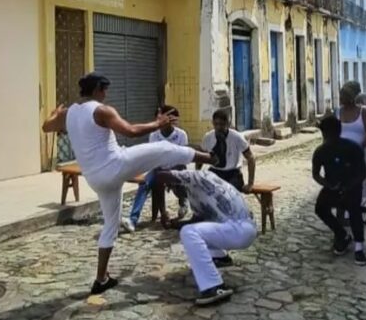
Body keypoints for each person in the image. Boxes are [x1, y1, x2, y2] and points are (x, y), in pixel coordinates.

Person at [42, 73, 213, 295]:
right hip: (115, 166)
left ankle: (101, 279)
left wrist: (55, 114)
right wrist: (158, 123)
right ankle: (209, 158)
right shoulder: (101, 111)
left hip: (95, 179)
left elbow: (46, 127)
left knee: (110, 227)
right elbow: (131, 132)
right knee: (163, 150)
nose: (106, 94)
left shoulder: (68, 113)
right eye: (105, 90)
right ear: (97, 90)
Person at [157, 169, 257, 306]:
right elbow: (197, 221)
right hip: (237, 228)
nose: (174, 192)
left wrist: (162, 208)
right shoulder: (194, 191)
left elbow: (160, 175)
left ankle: (214, 287)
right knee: (195, 231)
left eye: (172, 187)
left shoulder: (196, 176)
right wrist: (173, 224)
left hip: (240, 228)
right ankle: (220, 257)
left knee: (189, 233)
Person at [312, 115, 366, 265]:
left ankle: (359, 247)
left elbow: (362, 174)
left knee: (354, 209)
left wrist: (348, 187)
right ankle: (341, 233)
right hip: (332, 187)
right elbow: (316, 174)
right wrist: (328, 185)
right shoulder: (321, 151)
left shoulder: (352, 148)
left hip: (352, 187)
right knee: (320, 208)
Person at [123, 105, 190, 231]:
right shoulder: (154, 135)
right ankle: (133, 219)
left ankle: (183, 201)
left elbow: (183, 159)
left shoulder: (181, 135)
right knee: (144, 184)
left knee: (181, 181)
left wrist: (170, 172)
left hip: (176, 168)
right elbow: (153, 158)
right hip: (158, 169)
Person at [337, 81, 366, 205]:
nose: (341, 98)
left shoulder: (363, 112)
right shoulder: (338, 112)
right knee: (344, 182)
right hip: (342, 154)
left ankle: (364, 213)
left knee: (362, 182)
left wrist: (358, 147)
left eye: (343, 95)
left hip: (361, 153)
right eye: (341, 95)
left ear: (351, 97)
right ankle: (347, 213)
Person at [200, 108, 256, 192]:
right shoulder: (208, 137)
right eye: (216, 124)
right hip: (215, 171)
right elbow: (200, 156)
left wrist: (250, 183)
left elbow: (250, 158)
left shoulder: (237, 137)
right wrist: (197, 172)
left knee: (230, 193)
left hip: (233, 173)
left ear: (228, 124)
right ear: (213, 123)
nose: (219, 127)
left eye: (222, 124)